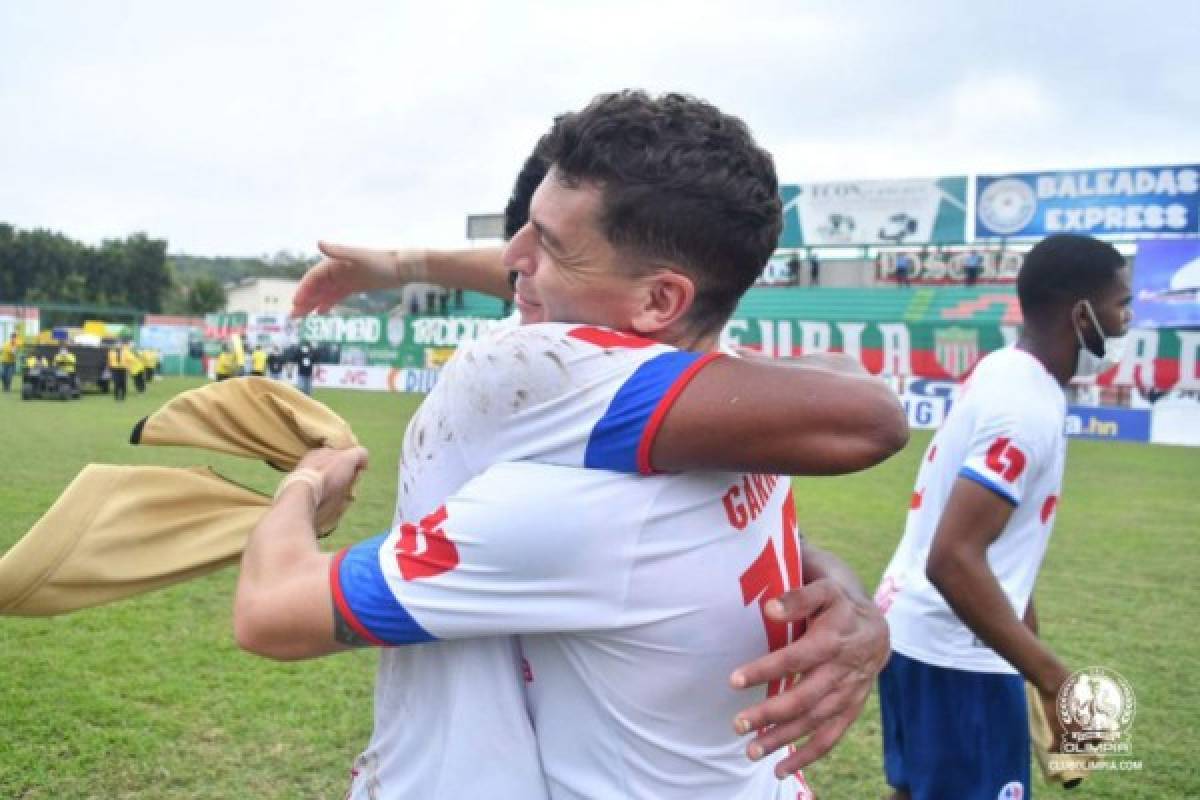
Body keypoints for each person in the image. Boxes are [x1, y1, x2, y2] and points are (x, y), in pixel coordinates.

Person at [245, 92, 900, 797]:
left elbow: (270, 610)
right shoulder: (737, 407)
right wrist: (848, 593)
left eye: (548, 245)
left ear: (659, 302)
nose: (513, 260)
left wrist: (306, 483)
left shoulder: (563, 489)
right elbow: (771, 550)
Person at [873, 233, 1132, 800]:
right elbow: (954, 558)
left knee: (917, 791)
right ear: (1082, 314)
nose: (1127, 322)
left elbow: (999, 549)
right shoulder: (1026, 406)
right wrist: (1055, 678)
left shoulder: (1004, 372)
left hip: (920, 636)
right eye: (1121, 304)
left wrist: (1028, 667)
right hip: (953, 656)